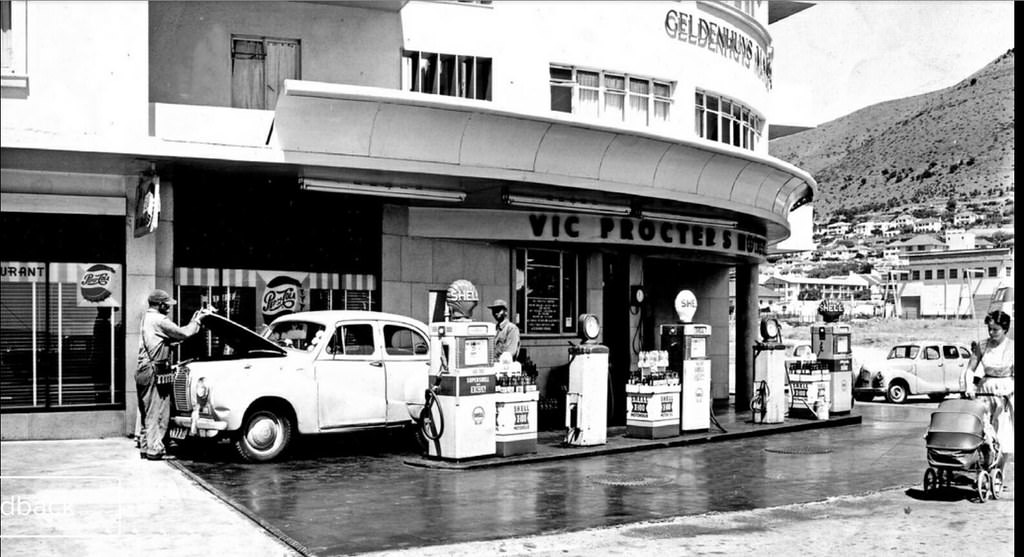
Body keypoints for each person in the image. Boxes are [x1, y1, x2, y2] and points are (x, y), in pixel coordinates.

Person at [136, 289, 207, 460]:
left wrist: (169, 344)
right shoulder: (160, 320)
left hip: (143, 370)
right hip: (154, 370)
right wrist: (197, 320)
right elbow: (184, 333)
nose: (169, 308)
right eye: (167, 305)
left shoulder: (147, 318)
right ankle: (155, 449)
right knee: (158, 411)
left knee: (147, 412)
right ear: (160, 304)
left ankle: (146, 447)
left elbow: (158, 342)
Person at [964, 310, 1014, 457]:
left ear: (1005, 329)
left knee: (1003, 430)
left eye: (995, 330)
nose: (991, 333)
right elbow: (969, 370)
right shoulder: (983, 345)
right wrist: (969, 386)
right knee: (984, 426)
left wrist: (1010, 391)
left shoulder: (1012, 347)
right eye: (989, 329)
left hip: (1006, 391)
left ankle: (999, 469)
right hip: (986, 389)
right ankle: (986, 462)